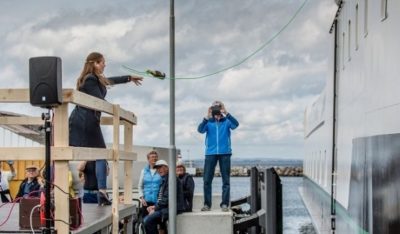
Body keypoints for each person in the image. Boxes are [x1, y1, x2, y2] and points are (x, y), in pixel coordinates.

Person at [69, 52, 143, 206]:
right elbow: (100, 100)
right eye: (102, 62)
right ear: (95, 63)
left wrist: (129, 78)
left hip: (88, 120)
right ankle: (102, 192)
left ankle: (102, 192)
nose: (105, 65)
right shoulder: (89, 79)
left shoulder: (95, 79)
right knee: (101, 153)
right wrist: (122, 114)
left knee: (101, 154)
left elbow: (110, 80)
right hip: (84, 121)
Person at [197, 101, 239, 212]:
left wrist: (226, 112)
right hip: (210, 153)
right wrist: (207, 116)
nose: (217, 109)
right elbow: (200, 130)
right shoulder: (208, 122)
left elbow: (236, 125)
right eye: (214, 107)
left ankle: (224, 204)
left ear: (221, 108)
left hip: (225, 153)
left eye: (218, 107)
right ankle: (207, 204)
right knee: (207, 180)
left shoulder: (227, 122)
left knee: (226, 180)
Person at [143, 160, 186, 234]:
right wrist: (154, 207)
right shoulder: (165, 179)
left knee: (148, 221)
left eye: (161, 167)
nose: (159, 170)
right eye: (157, 168)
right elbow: (161, 198)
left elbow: (166, 199)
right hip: (166, 207)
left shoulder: (171, 179)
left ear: (167, 168)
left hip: (173, 208)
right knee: (146, 218)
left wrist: (155, 208)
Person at [137, 151, 162, 217]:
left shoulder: (160, 171)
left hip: (157, 202)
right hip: (146, 202)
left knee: (155, 221)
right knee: (145, 221)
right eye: (152, 157)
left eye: (156, 157)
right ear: (148, 159)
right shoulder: (144, 171)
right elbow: (140, 186)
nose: (155, 158)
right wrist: (142, 198)